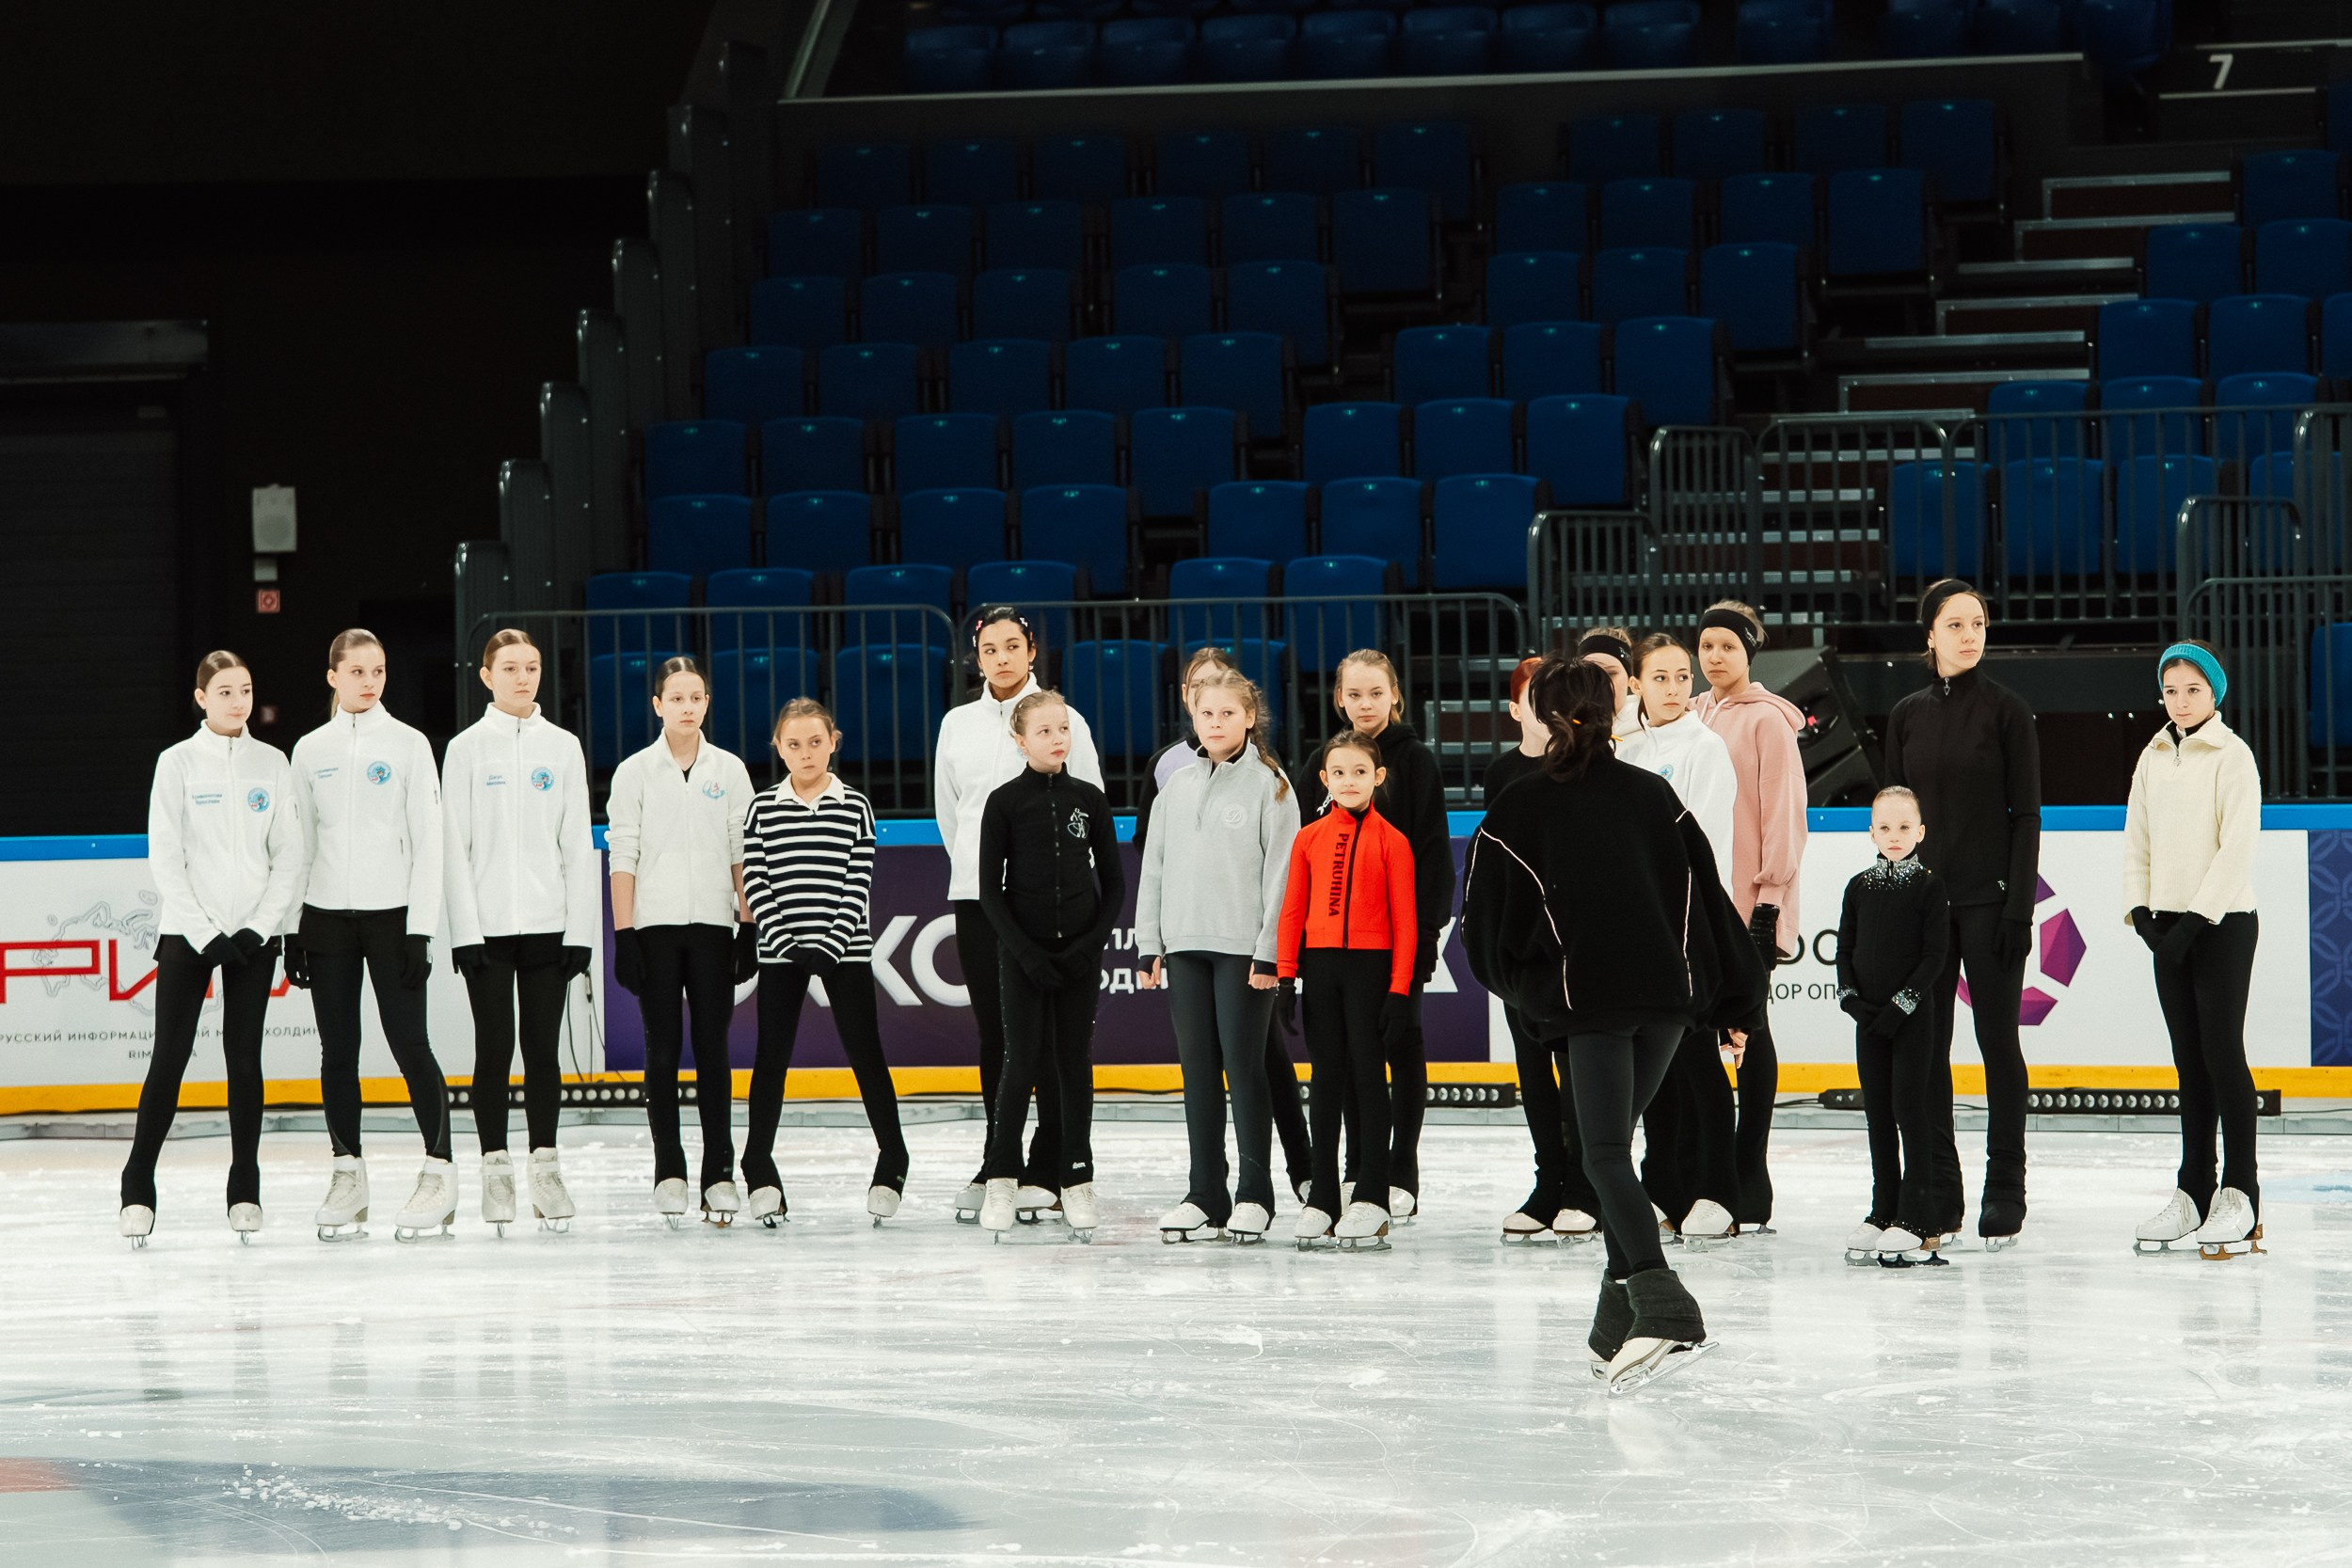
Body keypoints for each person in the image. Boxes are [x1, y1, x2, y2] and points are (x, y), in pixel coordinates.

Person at [1464, 656, 1766, 1396]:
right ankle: (1612, 1322)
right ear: (1611, 711)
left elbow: (1484, 935)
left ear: (1543, 714)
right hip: (1664, 1007)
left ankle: (1665, 1307)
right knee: (1611, 1155)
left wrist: (1535, 995)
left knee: (1600, 1156)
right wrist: (1730, 1000)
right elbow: (1705, 901)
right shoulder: (1653, 794)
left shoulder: (1517, 806)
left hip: (1589, 1009)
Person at [119, 651, 305, 1246]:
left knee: (244, 1060)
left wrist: (259, 926)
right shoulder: (175, 764)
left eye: (245, 690)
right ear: (201, 697)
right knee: (168, 1059)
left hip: (253, 936)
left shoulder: (272, 763)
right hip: (189, 935)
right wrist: (204, 933)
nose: (237, 701)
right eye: (224, 691)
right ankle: (137, 1186)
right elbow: (165, 856)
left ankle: (244, 1186)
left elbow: (289, 855)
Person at [1882, 579, 2042, 1249]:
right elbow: (1893, 815)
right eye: (1955, 624)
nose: (1970, 634)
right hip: (1924, 908)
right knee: (1926, 1049)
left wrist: (2017, 907)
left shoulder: (2009, 712)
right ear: (1930, 635)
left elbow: (2026, 815)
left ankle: (2005, 1183)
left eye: (1978, 622)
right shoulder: (1906, 714)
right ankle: (1937, 1187)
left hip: (1988, 903)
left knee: (1997, 1041)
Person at [934, 607, 1104, 1222]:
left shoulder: (1065, 720)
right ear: (975, 657)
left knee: (1057, 1038)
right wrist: (991, 885)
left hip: (1057, 903)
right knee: (999, 1036)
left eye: (1012, 645)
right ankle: (998, 1158)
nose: (1001, 657)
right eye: (989, 648)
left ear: (1031, 650)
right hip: (983, 901)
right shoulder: (956, 724)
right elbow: (951, 814)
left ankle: (1052, 1160)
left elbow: (1089, 806)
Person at [287, 628, 453, 1243]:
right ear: (332, 675)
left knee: (412, 1043)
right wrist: (292, 928)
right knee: (339, 1050)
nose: (369, 681)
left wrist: (421, 929)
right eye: (357, 670)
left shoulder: (409, 745)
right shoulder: (308, 750)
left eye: (378, 670)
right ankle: (347, 1171)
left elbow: (428, 840)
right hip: (326, 917)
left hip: (392, 917)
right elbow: (300, 843)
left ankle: (440, 1167)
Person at [1133, 646, 1313, 1206]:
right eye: (1207, 714)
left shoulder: (1272, 785)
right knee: (1198, 1073)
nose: (1216, 723)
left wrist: (1269, 953)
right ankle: (1205, 1193)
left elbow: (1282, 875)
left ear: (1249, 717)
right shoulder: (1175, 788)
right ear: (1193, 717)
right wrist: (1149, 944)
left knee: (1245, 1066)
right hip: (1185, 945)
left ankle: (1255, 1193)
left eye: (1228, 713)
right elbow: (1154, 868)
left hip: (1243, 952)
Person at [442, 628, 596, 1236]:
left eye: (531, 665)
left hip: (549, 926)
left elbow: (577, 845)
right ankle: (495, 1166)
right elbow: (455, 847)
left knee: (542, 1050)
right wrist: (464, 932)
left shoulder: (562, 747)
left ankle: (545, 1164)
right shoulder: (465, 749)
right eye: (509, 667)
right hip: (486, 929)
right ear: (486, 675)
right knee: (493, 1049)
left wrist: (578, 930)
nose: (523, 676)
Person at [1296, 650, 1452, 1220]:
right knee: (1350, 1053)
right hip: (1336, 948)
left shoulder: (1417, 763)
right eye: (1354, 695)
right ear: (1339, 699)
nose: (1365, 705)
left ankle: (1398, 1167)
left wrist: (1427, 934)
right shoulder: (1324, 761)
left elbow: (1435, 854)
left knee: (1398, 1045)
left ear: (1395, 697)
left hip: (1400, 941)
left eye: (1375, 694)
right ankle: (1358, 1167)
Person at [740, 698, 908, 1227]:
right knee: (772, 1058)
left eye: (816, 742)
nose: (806, 752)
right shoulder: (762, 808)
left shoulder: (855, 806)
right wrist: (787, 941)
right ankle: (758, 1166)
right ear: (779, 748)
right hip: (780, 951)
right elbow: (755, 882)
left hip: (846, 950)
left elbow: (859, 881)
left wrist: (830, 944)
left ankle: (893, 1159)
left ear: (833, 741)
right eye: (794, 744)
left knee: (866, 1053)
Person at [606, 656, 756, 1228]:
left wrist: (746, 925)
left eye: (696, 697)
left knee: (713, 1051)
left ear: (706, 703)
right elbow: (624, 856)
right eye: (676, 698)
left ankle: (719, 1173)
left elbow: (742, 852)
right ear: (657, 705)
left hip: (716, 930)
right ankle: (668, 1169)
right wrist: (625, 934)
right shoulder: (634, 772)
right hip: (656, 931)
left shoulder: (731, 770)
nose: (687, 707)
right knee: (663, 1050)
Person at [2125, 642, 2265, 1259]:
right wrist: (2144, 914)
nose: (2181, 700)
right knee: (2188, 1060)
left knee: (2220, 1052)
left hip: (2224, 923)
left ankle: (2241, 1189)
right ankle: (2194, 1186)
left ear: (2214, 693)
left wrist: (2195, 921)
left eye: (2193, 690)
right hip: (2167, 925)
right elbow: (2137, 838)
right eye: (2172, 690)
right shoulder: (2153, 756)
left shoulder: (2233, 757)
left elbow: (2236, 848)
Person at [973, 690, 1123, 1240]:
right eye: (1044, 731)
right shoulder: (1005, 802)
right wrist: (1028, 954)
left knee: (1073, 1063)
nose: (1057, 738)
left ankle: (1076, 1176)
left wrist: (1087, 947)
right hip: (1024, 956)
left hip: (1080, 955)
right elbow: (990, 891)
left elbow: (1113, 886)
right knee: (1021, 1062)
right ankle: (1001, 1176)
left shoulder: (1090, 799)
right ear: (1020, 740)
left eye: (1063, 728)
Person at [1616, 632, 1743, 1246]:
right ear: (1635, 683)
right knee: (1654, 1068)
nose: (1673, 688)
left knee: (1697, 1060)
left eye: (1680, 676)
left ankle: (1719, 1189)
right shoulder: (1621, 746)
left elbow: (1707, 846)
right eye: (1659, 677)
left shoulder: (1706, 747)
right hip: (1633, 931)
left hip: (1688, 923)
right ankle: (1664, 1189)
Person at [1692, 599, 1807, 1233]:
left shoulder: (1768, 722)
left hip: (1750, 903)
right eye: (1706, 645)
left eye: (1727, 646)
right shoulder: (1696, 714)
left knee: (1751, 1028)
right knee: (1708, 1036)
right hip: (1705, 904)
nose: (1714, 656)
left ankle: (1750, 1173)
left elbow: (1783, 815)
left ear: (1748, 653)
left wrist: (1768, 899)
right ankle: (1714, 1169)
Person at [1277, 732, 1417, 1252]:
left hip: (1371, 972)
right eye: (1340, 773)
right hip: (1321, 970)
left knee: (1367, 1077)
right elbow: (1293, 911)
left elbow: (1406, 922)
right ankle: (1324, 1197)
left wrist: (1399, 989)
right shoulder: (1308, 838)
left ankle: (1373, 1193)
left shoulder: (1393, 842)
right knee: (1327, 1080)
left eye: (1360, 772)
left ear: (1378, 777)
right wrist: (1288, 975)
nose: (1349, 781)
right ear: (1324, 779)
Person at [1483, 655, 1599, 1243]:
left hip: (1572, 951)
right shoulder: (1502, 775)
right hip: (1521, 953)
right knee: (1533, 1072)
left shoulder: (1585, 772)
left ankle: (1584, 1186)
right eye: (1537, 701)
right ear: (1518, 709)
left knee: (1578, 1070)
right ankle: (1548, 1181)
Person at [1836, 785, 1951, 1267]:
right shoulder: (1858, 887)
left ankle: (1917, 1217)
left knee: (1909, 1105)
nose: (1895, 836)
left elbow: (1934, 956)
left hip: (1910, 1020)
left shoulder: (1928, 885)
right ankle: (1883, 1210)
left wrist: (1900, 1006)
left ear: (1920, 831)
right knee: (1878, 1111)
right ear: (1871, 832)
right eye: (1885, 827)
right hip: (1869, 1021)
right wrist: (1852, 1003)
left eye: (1904, 827)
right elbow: (1844, 949)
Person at [1577, 626, 1644, 739]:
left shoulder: (1653, 726)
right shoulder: (1559, 730)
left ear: (1630, 679)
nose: (1601, 682)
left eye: (1610, 674)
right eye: (1590, 672)